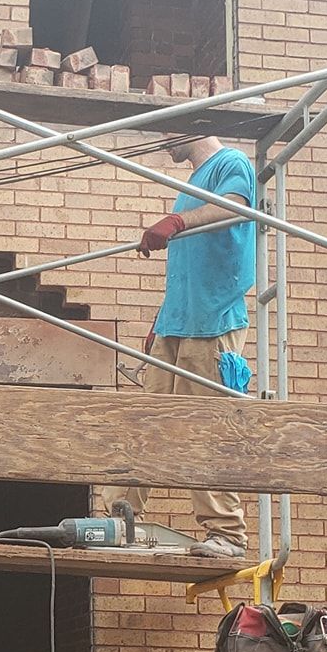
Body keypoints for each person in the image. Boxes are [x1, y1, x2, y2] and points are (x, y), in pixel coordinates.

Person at [129, 132, 257, 560]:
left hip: (212, 323)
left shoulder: (231, 162)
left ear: (195, 124)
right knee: (146, 424)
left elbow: (235, 207)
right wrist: (160, 321)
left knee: (202, 428)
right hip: (176, 325)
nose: (163, 142)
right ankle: (119, 519)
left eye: (170, 131)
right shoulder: (191, 185)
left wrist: (178, 222)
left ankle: (228, 534)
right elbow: (188, 269)